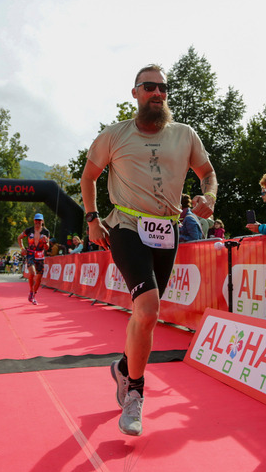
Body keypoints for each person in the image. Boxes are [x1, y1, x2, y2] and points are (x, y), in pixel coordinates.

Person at [81, 64, 216, 436]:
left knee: (147, 316)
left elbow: (207, 172)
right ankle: (135, 394)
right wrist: (92, 217)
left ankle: (125, 368)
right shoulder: (114, 135)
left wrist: (210, 196)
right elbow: (89, 176)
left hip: (166, 229)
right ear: (135, 93)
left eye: (163, 88)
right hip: (125, 225)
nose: (158, 93)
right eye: (149, 87)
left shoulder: (185, 135)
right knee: (148, 307)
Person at [18, 213, 51, 304]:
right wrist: (22, 248)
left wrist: (45, 242)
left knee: (39, 278)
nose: (37, 222)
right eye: (36, 220)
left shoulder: (46, 232)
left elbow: (47, 247)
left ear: (42, 221)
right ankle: (31, 291)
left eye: (39, 221)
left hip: (40, 255)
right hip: (31, 254)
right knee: (32, 273)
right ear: (34, 221)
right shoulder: (29, 230)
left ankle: (33, 294)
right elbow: (19, 238)